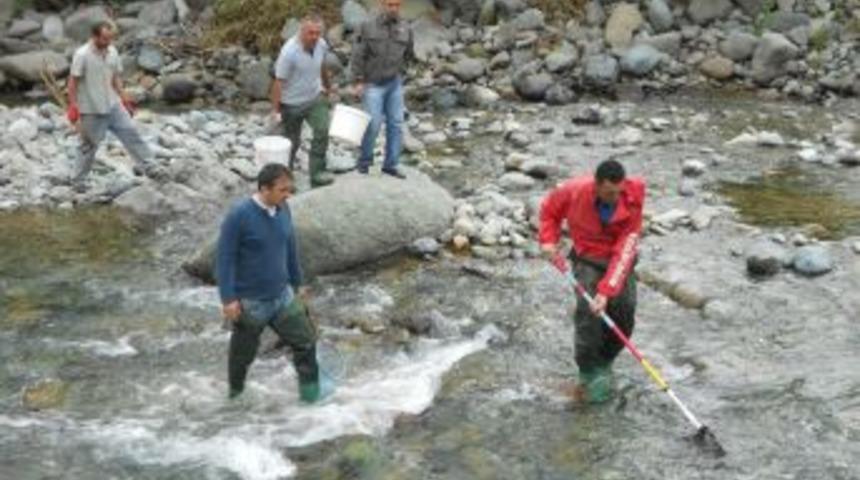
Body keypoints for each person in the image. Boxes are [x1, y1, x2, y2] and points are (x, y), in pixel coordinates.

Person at [216, 163, 329, 403]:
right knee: (242, 356)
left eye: (290, 190)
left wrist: (298, 284)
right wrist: (228, 299)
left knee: (306, 343)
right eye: (283, 190)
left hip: (283, 296)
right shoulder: (239, 215)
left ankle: (312, 400)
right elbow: (224, 259)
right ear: (264, 189)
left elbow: (290, 247)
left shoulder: (283, 208)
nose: (288, 195)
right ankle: (235, 397)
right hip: (251, 302)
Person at [538, 160, 646, 403]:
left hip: (619, 259)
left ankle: (605, 363)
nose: (614, 197)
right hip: (587, 258)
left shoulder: (633, 198)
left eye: (618, 192)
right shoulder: (573, 190)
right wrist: (548, 239)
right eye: (609, 193)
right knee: (589, 315)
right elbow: (549, 212)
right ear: (596, 186)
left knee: (624, 313)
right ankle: (588, 372)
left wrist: (606, 291)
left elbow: (626, 249)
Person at [66, 21, 164, 189]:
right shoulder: (82, 55)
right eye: (104, 39)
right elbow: (73, 82)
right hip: (91, 108)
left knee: (131, 132)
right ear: (95, 36)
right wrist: (73, 107)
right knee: (88, 145)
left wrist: (124, 97)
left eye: (110, 38)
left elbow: (115, 77)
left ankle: (150, 167)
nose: (108, 42)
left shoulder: (112, 51)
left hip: (113, 104)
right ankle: (78, 181)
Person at [350, 0, 413, 179]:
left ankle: (391, 165)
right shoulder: (367, 26)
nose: (393, 8)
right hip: (372, 84)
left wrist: (405, 74)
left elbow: (409, 55)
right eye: (389, 4)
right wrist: (358, 81)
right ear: (381, 4)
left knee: (396, 123)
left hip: (394, 83)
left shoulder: (406, 28)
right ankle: (364, 163)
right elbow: (358, 55)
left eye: (396, 5)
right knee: (373, 124)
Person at [271, 13, 335, 188]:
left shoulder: (321, 44)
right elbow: (278, 82)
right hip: (291, 105)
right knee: (291, 143)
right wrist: (276, 111)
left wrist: (328, 87)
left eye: (317, 33)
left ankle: (317, 173)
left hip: (314, 97)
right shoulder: (289, 52)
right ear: (301, 31)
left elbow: (322, 66)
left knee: (323, 130)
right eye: (310, 33)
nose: (314, 37)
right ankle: (285, 181)